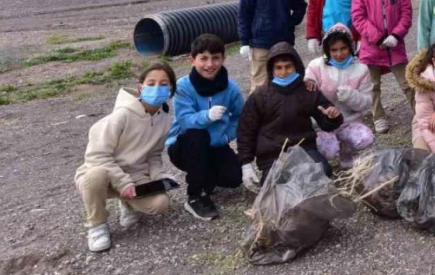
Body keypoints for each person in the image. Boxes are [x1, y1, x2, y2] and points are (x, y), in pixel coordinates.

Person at [76, 63, 176, 252]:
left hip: (134, 176)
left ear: (170, 88)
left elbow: (154, 155)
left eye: (164, 84)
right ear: (140, 87)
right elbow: (97, 155)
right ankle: (97, 225)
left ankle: (127, 203)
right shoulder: (121, 115)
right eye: (151, 83)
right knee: (94, 176)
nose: (157, 88)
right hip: (105, 173)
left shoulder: (165, 119)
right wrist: (123, 183)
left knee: (160, 204)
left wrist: (159, 177)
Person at [237, 43, 343, 189]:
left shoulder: (308, 90)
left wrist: (332, 116)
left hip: (304, 148)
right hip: (272, 154)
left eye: (288, 67)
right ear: (271, 70)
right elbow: (246, 130)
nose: (284, 72)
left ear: (296, 67)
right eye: (278, 68)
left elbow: (326, 122)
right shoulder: (259, 96)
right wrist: (246, 163)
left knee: (323, 171)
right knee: (276, 184)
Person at [167, 35, 244, 221]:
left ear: (223, 59)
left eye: (215, 58)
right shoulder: (183, 87)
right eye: (203, 58)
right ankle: (195, 195)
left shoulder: (230, 88)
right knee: (197, 135)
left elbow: (241, 116)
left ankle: (207, 177)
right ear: (192, 60)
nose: (210, 64)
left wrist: (226, 138)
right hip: (185, 146)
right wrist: (207, 116)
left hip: (215, 144)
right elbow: (185, 121)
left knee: (233, 178)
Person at [351, 0, 414, 133]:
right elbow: (358, 18)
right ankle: (378, 116)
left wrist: (396, 35)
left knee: (408, 83)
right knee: (373, 85)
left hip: (395, 46)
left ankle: (421, 112)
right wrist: (377, 37)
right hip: (371, 47)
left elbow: (406, 14)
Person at [237, 0, 307, 93]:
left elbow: (300, 6)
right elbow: (244, 14)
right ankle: (256, 115)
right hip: (260, 43)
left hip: (284, 41)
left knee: (286, 79)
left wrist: (291, 22)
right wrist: (244, 42)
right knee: (260, 83)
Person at [304, 24, 375, 167]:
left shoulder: (361, 69)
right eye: (334, 50)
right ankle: (320, 165)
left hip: (348, 121)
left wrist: (350, 96)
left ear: (351, 47)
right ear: (327, 50)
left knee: (366, 137)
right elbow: (305, 94)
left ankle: (346, 154)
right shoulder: (315, 66)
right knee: (328, 149)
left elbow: (367, 102)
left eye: (343, 48)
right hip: (320, 125)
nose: (339, 54)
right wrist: (308, 81)